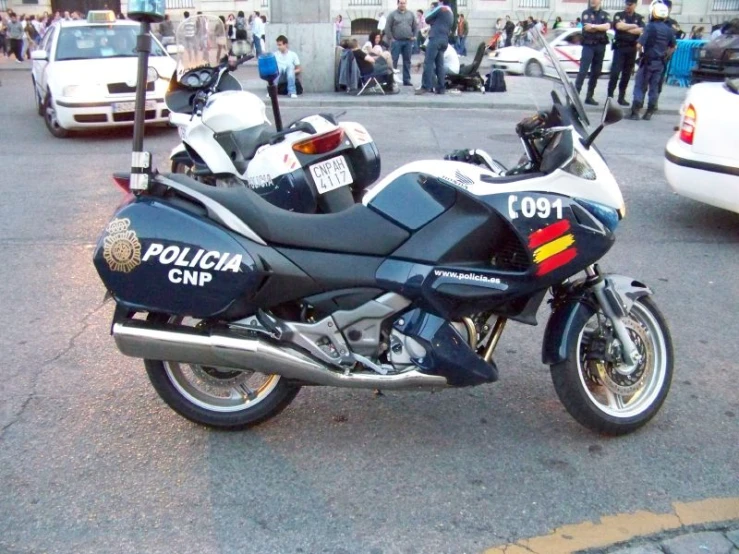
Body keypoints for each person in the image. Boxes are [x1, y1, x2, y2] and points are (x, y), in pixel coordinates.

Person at [629, 1, 675, 120]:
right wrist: (665, 55)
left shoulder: (650, 27)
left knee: (640, 86)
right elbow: (673, 46)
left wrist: (641, 53)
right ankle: (649, 112)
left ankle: (635, 112)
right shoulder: (669, 29)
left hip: (648, 61)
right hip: (660, 63)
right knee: (654, 87)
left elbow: (639, 45)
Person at [607, 0, 644, 106]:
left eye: (630, 4)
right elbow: (619, 27)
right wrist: (633, 26)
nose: (628, 6)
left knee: (626, 74)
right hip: (620, 48)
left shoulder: (639, 17)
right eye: (627, 4)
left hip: (631, 49)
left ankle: (621, 97)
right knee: (615, 73)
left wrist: (626, 27)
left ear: (635, 5)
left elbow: (641, 30)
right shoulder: (619, 15)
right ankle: (610, 96)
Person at [574, 0, 611, 105]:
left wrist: (594, 26)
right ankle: (576, 97)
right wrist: (600, 27)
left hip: (600, 46)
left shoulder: (605, 14)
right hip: (588, 45)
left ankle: (589, 97)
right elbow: (587, 28)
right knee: (583, 71)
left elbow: (607, 27)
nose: (593, 1)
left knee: (596, 72)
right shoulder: (586, 13)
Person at [416, 0, 453, 95]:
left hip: (435, 38)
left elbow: (427, 19)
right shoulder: (451, 12)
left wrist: (434, 21)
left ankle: (425, 86)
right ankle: (441, 88)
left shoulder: (440, 8)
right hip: (444, 40)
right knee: (440, 64)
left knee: (428, 62)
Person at [386, 0, 417, 87]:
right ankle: (392, 80)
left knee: (407, 61)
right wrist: (391, 38)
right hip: (396, 41)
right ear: (398, 4)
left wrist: (414, 36)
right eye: (401, 3)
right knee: (394, 61)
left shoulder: (411, 14)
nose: (403, 5)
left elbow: (415, 26)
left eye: (404, 3)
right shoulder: (393, 14)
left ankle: (406, 80)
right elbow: (387, 27)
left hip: (408, 41)